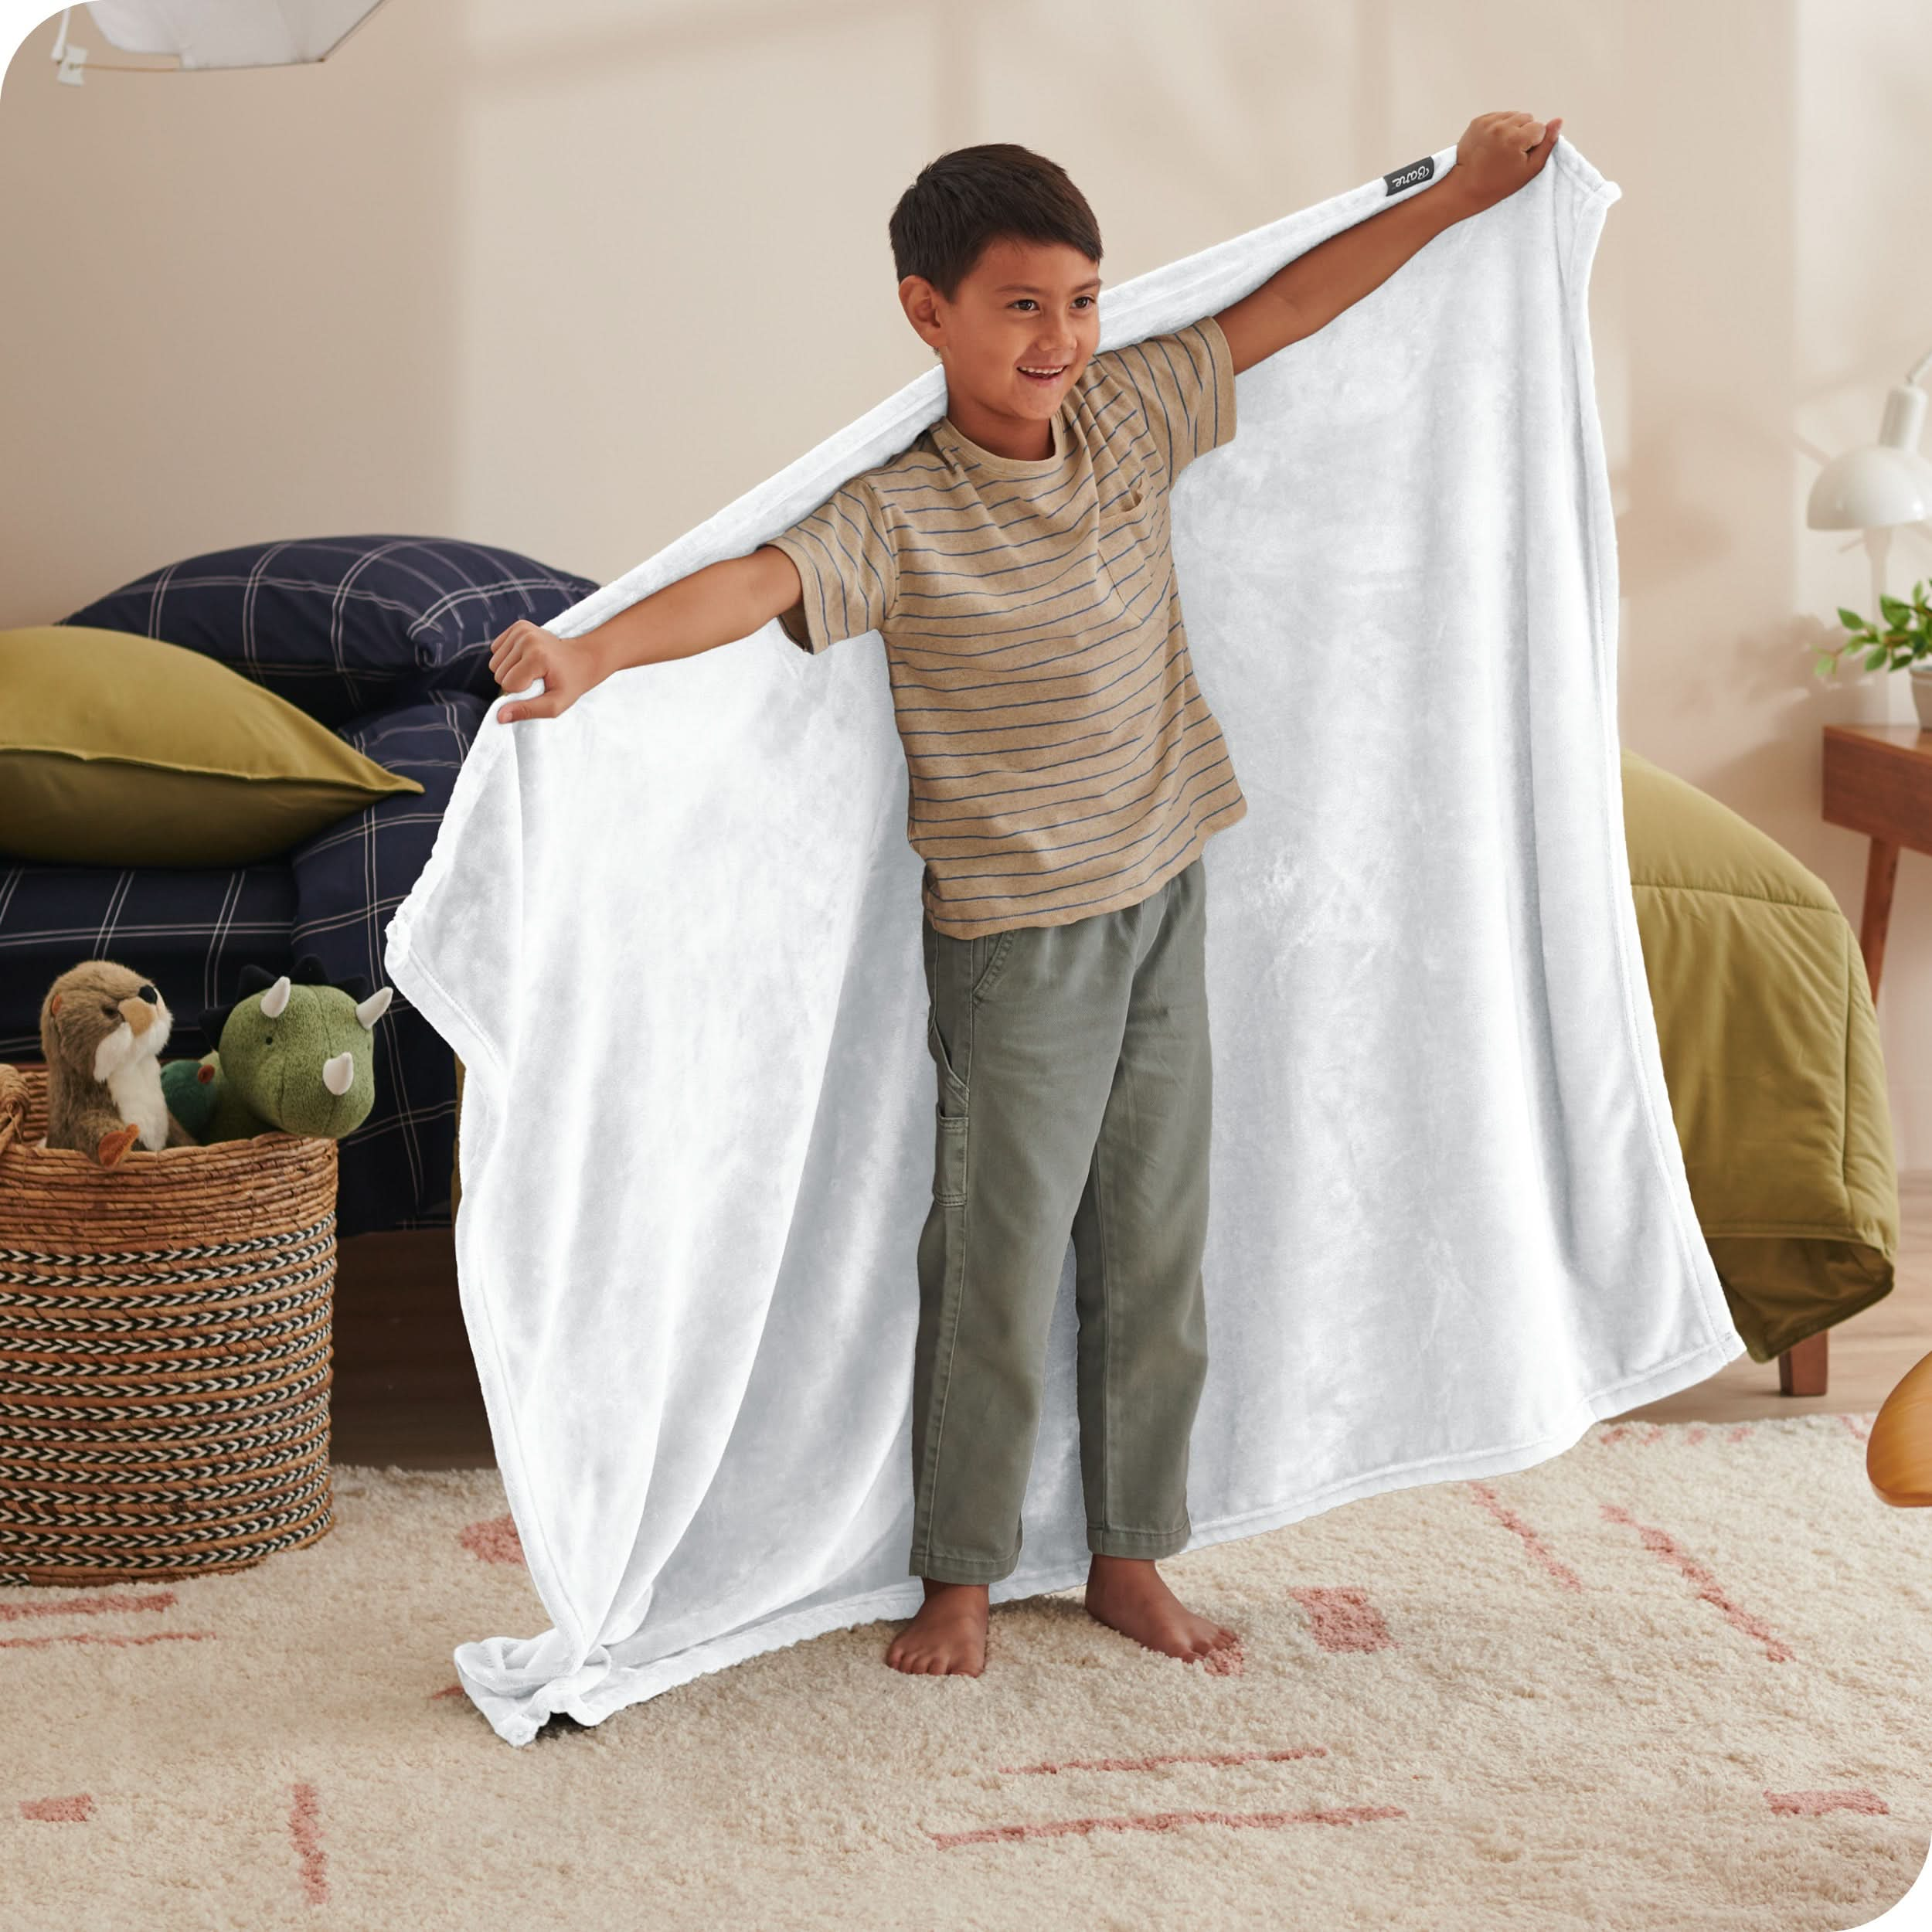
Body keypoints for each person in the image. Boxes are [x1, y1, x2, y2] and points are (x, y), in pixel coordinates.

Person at [486, 110, 1561, 1679]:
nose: (1057, 338)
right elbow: (752, 583)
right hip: (1012, 943)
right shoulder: (900, 512)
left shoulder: (1127, 414)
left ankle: (1129, 1553)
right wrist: (588, 653)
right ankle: (961, 1576)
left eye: (1079, 299)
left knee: (1153, 1246)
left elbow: (1281, 307)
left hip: (1162, 887)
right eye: (1017, 305)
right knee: (996, 1260)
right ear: (926, 312)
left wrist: (1462, 195)